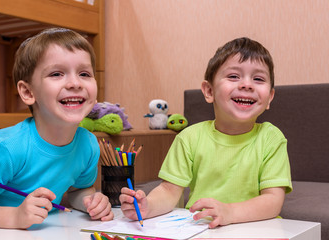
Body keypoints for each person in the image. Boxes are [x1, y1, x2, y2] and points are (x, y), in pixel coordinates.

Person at [120, 37, 292, 228]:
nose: (247, 85)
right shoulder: (189, 137)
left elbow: (273, 201)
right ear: (209, 91)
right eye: (234, 76)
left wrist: (230, 212)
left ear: (270, 97)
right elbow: (169, 191)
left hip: (257, 229)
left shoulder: (271, 138)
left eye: (258, 79)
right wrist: (147, 207)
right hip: (201, 230)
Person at [0, 28, 113, 229]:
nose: (75, 83)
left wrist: (91, 202)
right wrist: (15, 217)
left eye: (84, 73)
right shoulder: (6, 148)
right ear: (28, 92)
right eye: (56, 73)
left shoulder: (88, 145)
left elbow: (77, 191)